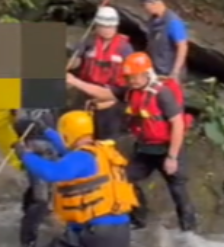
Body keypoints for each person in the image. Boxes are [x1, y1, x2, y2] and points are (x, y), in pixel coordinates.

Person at [15, 110, 139, 247]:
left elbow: (52, 173)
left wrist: (25, 155)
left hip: (93, 236)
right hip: (120, 235)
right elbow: (68, 151)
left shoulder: (81, 158)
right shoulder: (101, 151)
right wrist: (47, 131)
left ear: (69, 134)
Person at [66, 52, 198, 232]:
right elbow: (104, 92)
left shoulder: (162, 94)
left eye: (135, 77)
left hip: (167, 149)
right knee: (125, 179)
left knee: (178, 190)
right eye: (129, 77)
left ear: (146, 74)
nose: (132, 81)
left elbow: (177, 124)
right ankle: (139, 218)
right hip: (146, 150)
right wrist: (75, 81)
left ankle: (189, 230)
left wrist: (172, 157)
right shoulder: (131, 91)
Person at [68, 6, 133, 140]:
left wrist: (74, 81)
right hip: (88, 91)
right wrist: (73, 62)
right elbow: (79, 61)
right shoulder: (89, 41)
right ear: (97, 26)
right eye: (104, 26)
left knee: (107, 137)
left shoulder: (124, 48)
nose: (108, 30)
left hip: (112, 94)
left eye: (111, 27)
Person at [14, 107, 62, 247]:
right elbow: (18, 122)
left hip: (48, 143)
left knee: (44, 191)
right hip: (36, 145)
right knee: (41, 197)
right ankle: (28, 240)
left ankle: (34, 214)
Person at [139, 0, 190, 80]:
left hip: (169, 71)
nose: (144, 9)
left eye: (144, 5)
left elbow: (182, 47)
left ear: (153, 2)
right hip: (156, 69)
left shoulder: (174, 22)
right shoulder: (152, 21)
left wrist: (175, 72)